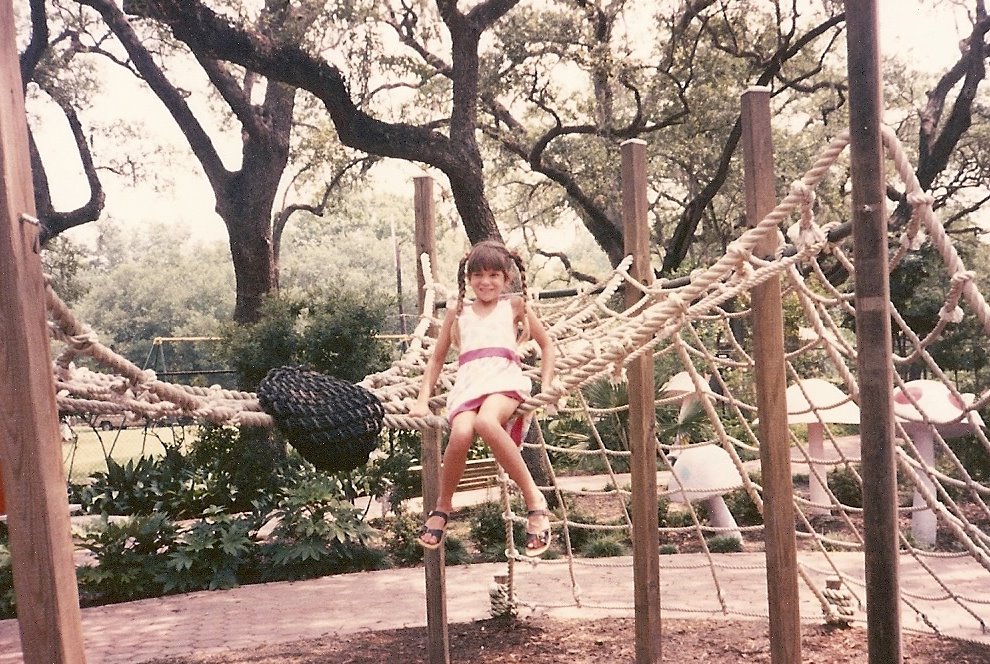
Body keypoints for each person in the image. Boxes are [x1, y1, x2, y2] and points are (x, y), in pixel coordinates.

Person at [409, 239, 556, 557]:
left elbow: (547, 345)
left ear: (506, 279)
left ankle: (535, 501)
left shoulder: (514, 306)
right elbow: (436, 360)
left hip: (504, 381)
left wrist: (546, 385)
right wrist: (423, 399)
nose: (485, 282)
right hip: (468, 386)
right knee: (460, 432)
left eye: (493, 275)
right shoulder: (457, 311)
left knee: (488, 422)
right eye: (478, 275)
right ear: (468, 278)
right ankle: (443, 506)